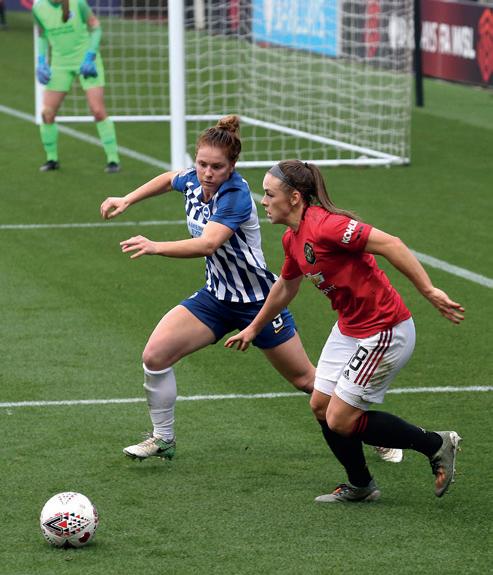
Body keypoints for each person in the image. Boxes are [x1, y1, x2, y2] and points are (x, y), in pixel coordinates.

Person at [225, 159, 464, 502]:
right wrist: (254, 328)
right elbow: (285, 287)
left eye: (269, 194)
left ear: (294, 198)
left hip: (384, 329)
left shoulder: (328, 226)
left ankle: (436, 444)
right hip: (350, 328)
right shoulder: (293, 239)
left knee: (340, 419)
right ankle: (361, 484)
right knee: (321, 406)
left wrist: (429, 290)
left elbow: (392, 244)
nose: (263, 201)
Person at [99, 116, 315, 461]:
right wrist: (127, 198)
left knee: (306, 381)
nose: (207, 173)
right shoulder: (193, 179)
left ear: (232, 166)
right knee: (155, 357)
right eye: (202, 164)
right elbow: (169, 179)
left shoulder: (236, 196)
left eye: (217, 167)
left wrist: (156, 246)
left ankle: (367, 426)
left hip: (258, 302)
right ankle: (163, 439)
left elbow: (208, 243)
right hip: (216, 297)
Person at [33, 0, 120, 173]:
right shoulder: (38, 8)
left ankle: (113, 159)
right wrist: (41, 61)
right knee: (47, 113)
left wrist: (90, 56)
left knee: (97, 110)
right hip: (60, 64)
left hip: (87, 61)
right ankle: (52, 159)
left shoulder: (78, 3)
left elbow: (96, 28)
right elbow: (42, 35)